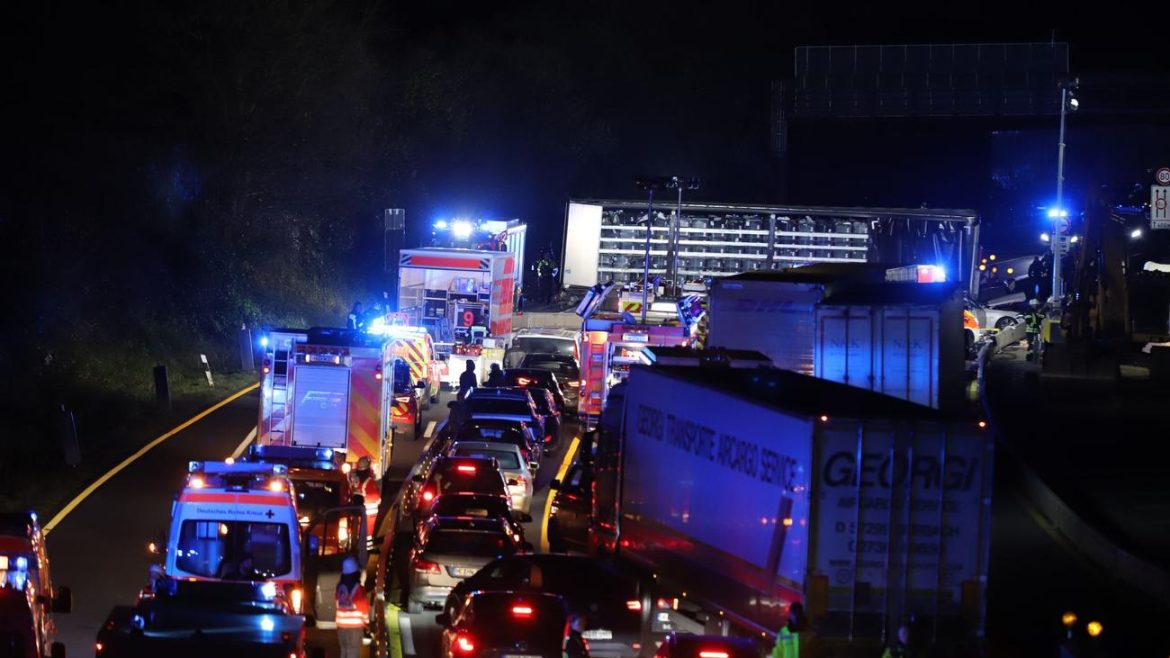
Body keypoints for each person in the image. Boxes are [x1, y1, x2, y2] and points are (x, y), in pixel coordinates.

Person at [335, 555, 369, 658]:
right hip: (354, 627)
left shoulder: (340, 587)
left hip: (341, 626)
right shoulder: (358, 588)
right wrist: (366, 622)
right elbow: (363, 607)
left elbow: (337, 604)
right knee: (353, 653)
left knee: (344, 652)